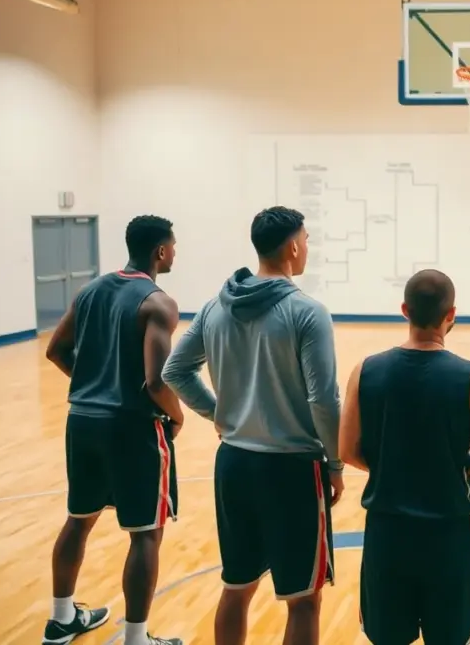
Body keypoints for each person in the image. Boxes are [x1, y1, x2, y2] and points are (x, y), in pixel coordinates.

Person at [161, 206, 343, 645]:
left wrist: (219, 415)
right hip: (292, 470)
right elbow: (323, 399)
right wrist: (335, 462)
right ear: (294, 246)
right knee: (303, 599)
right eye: (307, 240)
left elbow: (175, 371)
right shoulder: (307, 311)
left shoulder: (215, 306)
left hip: (235, 465)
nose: (308, 248)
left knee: (237, 587)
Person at [338, 269, 470, 645]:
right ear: (452, 314)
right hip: (449, 533)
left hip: (388, 531)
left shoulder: (365, 371)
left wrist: (386, 467)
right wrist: (453, 469)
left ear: (404, 310)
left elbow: (347, 450)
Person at [42, 215, 183, 645]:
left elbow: (55, 349)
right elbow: (156, 381)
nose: (176, 252)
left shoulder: (89, 291)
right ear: (160, 251)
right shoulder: (158, 302)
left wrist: (91, 387)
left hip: (82, 421)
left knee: (78, 520)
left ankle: (61, 618)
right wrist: (177, 416)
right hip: (131, 428)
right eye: (173, 246)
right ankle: (136, 639)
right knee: (146, 534)